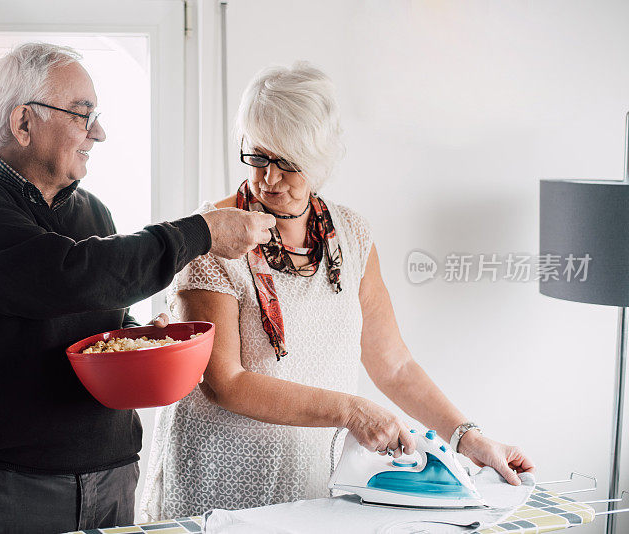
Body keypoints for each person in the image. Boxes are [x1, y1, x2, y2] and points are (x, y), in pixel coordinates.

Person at [139, 62, 535, 520]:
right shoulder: (213, 237)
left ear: (319, 159)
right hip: (224, 478)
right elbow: (226, 382)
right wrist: (350, 410)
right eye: (257, 157)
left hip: (312, 481)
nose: (268, 179)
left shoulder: (350, 234)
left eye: (287, 163)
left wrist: (467, 438)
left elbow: (394, 364)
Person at [0, 42, 274, 534]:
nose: (98, 133)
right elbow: (61, 278)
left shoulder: (93, 212)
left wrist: (140, 337)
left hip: (111, 476)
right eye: (83, 116)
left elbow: (97, 312)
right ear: (23, 123)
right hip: (2, 484)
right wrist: (201, 232)